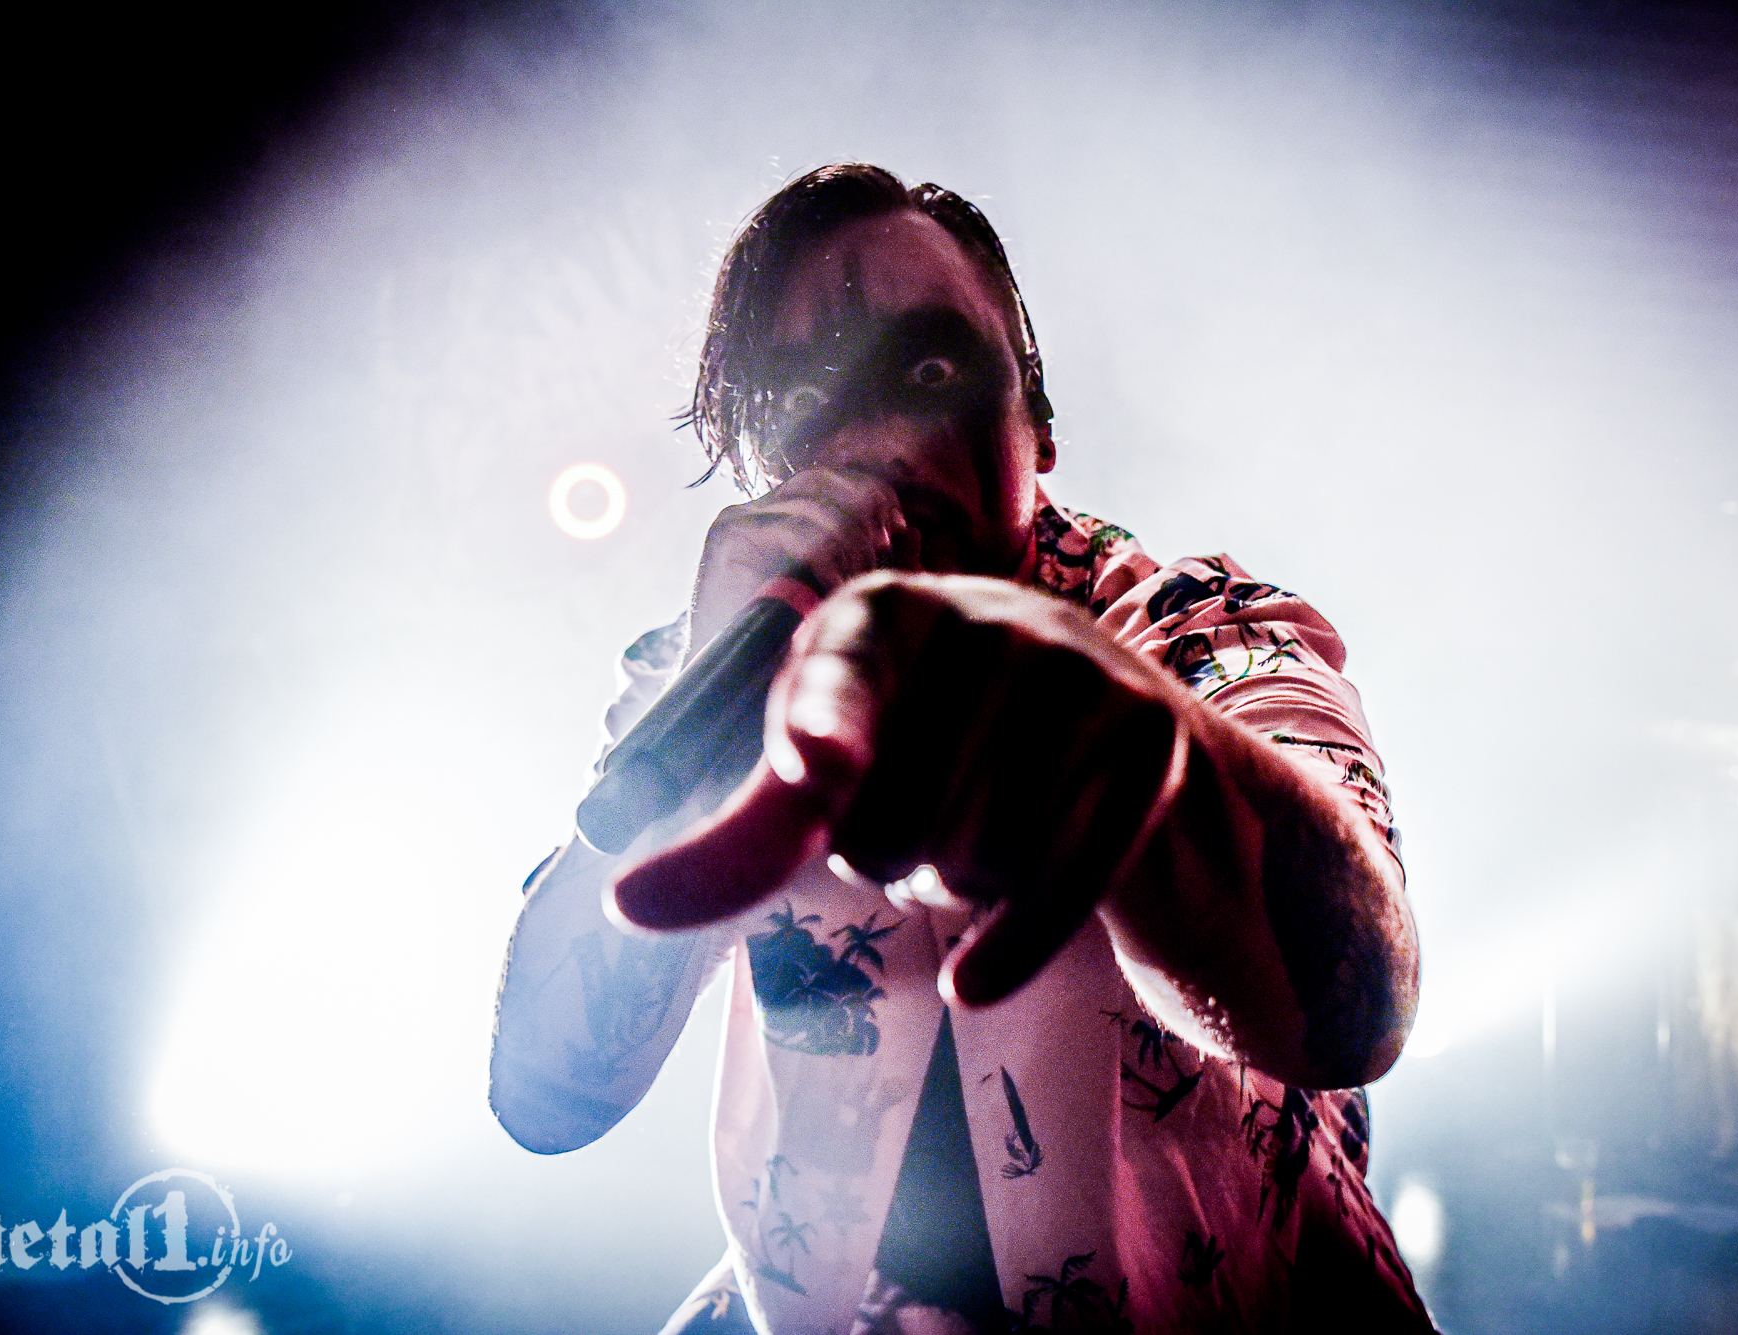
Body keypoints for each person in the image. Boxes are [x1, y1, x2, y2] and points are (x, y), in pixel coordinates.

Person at [491, 164, 1434, 1333]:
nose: (874, 437)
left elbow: (1355, 1009)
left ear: (1035, 421)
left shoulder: (1194, 628)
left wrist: (1156, 774)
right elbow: (545, 1097)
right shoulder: (709, 667)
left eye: (928, 369)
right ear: (755, 469)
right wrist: (701, 735)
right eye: (801, 395)